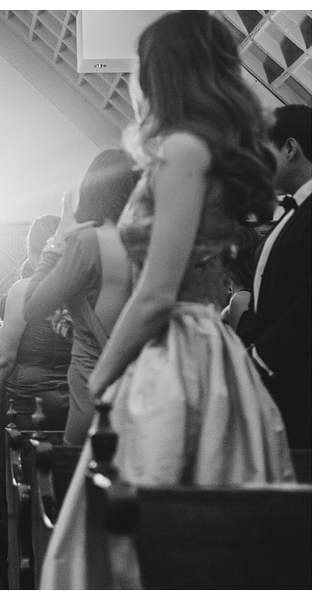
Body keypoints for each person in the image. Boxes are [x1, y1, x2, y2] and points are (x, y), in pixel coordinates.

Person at [41, 12, 294, 589]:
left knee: (154, 529)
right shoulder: (204, 146)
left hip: (177, 351)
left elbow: (156, 293)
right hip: (205, 346)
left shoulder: (183, 148)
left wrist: (101, 378)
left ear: (164, 70)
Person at [22, 149, 139, 445]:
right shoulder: (146, 243)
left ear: (91, 190)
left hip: (93, 389)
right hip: (139, 388)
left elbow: (33, 307)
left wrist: (55, 243)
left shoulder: (88, 243)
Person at [250, 104, 311, 449]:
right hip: (282, 382)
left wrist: (262, 357)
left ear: (289, 148)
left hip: (300, 380)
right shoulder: (293, 211)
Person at [0, 215, 73, 469]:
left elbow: (6, 358)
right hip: (73, 393)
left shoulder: (23, 289)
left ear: (31, 249)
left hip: (29, 397)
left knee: (26, 469)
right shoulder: (80, 288)